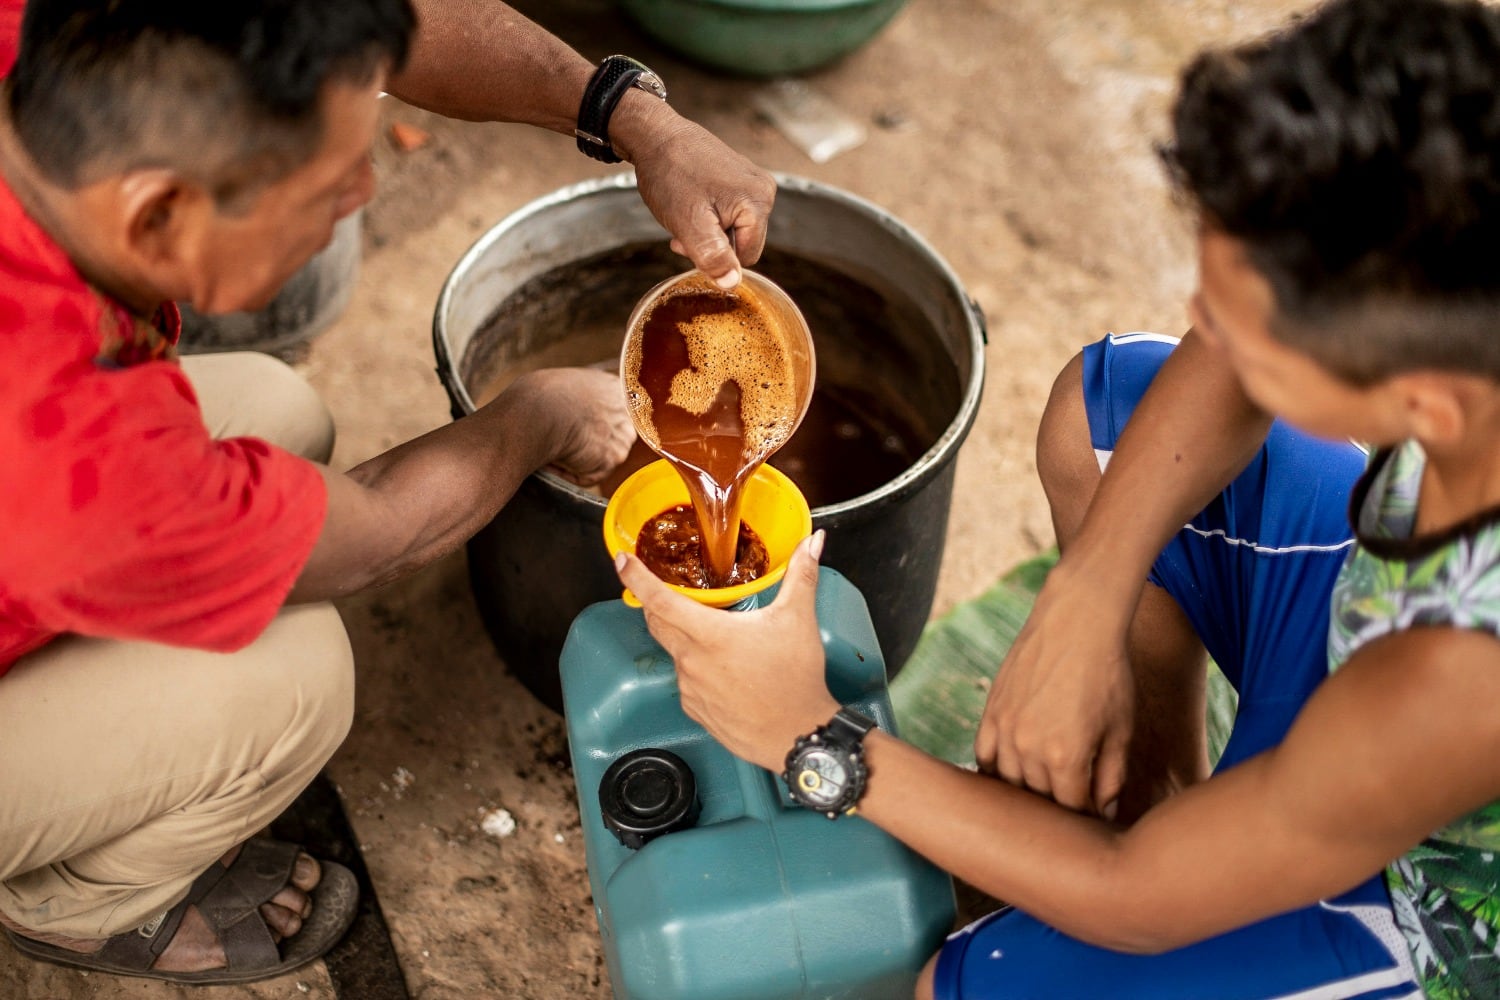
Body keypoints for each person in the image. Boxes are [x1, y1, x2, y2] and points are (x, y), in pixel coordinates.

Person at [616, 0, 1500, 995]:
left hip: (1435, 911)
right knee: (1106, 414)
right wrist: (1089, 593)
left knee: (966, 982)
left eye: (1241, 326)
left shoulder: (1459, 679)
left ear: (1418, 400)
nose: (1201, 327)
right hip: (1366, 670)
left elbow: (1138, 899)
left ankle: (1208, 856)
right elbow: (1210, 367)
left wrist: (812, 738)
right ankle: (1165, 793)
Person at [0, 0, 775, 986]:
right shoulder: (74, 436)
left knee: (275, 412)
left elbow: (392, 18)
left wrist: (639, 119)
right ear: (156, 212)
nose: (365, 187)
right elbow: (374, 538)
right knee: (296, 678)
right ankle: (69, 900)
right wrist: (535, 414)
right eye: (326, 182)